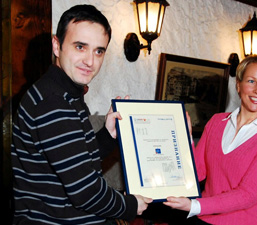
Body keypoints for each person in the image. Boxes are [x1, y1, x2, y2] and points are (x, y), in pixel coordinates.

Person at [11, 4, 152, 224]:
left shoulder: (63, 94)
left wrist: (108, 134)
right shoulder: (53, 102)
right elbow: (86, 192)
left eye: (99, 51)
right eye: (80, 47)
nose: (90, 61)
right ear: (57, 46)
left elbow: (74, 162)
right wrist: (130, 205)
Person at [163, 53, 257, 225]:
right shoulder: (216, 122)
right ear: (238, 85)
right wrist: (186, 138)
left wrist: (194, 205)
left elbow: (248, 194)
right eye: (251, 81)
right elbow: (196, 172)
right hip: (205, 219)